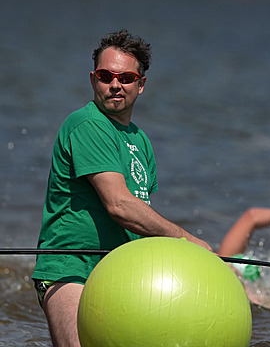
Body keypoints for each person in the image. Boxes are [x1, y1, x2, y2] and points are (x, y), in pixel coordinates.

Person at [31, 30, 214, 347]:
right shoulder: (87, 124)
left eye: (126, 77)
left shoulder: (140, 140)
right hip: (71, 268)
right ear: (93, 80)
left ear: (140, 85)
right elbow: (120, 205)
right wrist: (186, 239)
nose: (115, 84)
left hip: (122, 274)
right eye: (106, 76)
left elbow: (142, 215)